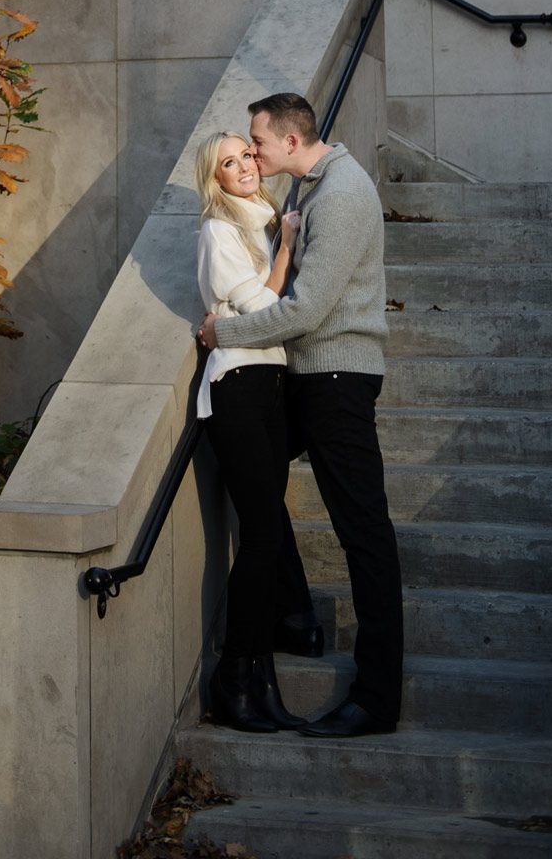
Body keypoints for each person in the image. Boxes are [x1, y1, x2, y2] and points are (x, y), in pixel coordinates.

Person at [198, 92, 404, 739]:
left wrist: (222, 335)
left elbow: (307, 309)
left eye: (257, 141)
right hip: (306, 378)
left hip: (337, 380)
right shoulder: (305, 192)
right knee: (259, 499)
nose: (252, 153)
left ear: (290, 141)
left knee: (362, 530)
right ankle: (285, 617)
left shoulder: (340, 192)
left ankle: (375, 697)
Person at [195, 130, 307, 734]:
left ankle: (260, 681)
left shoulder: (264, 218)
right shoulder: (220, 230)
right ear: (214, 179)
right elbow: (262, 311)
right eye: (228, 163)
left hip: (269, 385)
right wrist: (286, 248)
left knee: (266, 536)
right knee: (262, 537)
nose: (243, 167)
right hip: (235, 387)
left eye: (246, 156)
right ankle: (232, 676)